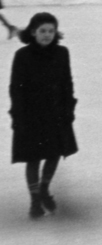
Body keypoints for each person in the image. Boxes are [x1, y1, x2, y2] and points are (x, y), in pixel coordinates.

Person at [10, 12, 77, 220]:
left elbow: (67, 82)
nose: (47, 35)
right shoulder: (23, 56)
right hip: (31, 115)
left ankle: (44, 189)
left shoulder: (62, 53)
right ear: (33, 32)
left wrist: (69, 109)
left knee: (54, 152)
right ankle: (34, 199)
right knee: (33, 158)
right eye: (42, 31)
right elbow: (16, 88)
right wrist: (19, 116)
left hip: (56, 113)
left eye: (51, 31)